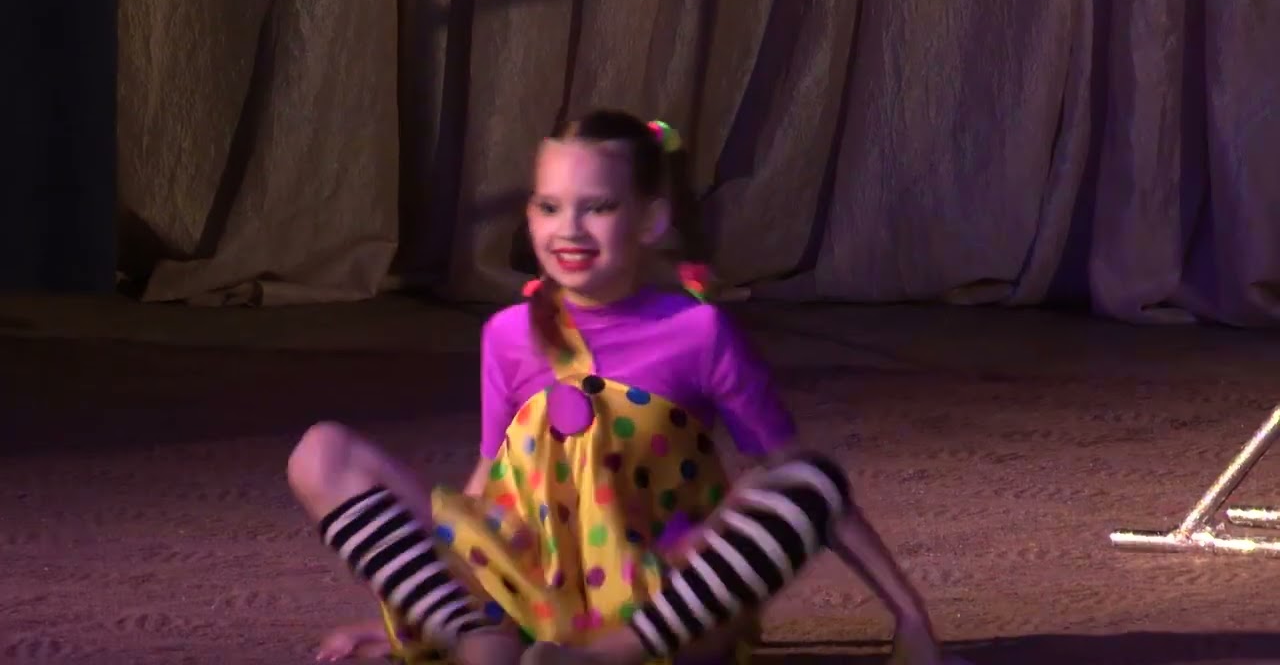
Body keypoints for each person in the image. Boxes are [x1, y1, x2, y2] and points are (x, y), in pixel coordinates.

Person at [288, 110, 955, 665]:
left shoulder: (699, 332)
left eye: (599, 207)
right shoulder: (508, 334)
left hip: (661, 599)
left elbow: (802, 485)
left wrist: (911, 617)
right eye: (550, 207)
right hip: (527, 584)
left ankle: (607, 655)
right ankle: (474, 638)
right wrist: (420, 609)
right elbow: (488, 485)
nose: (569, 230)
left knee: (810, 478)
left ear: (649, 221)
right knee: (322, 452)